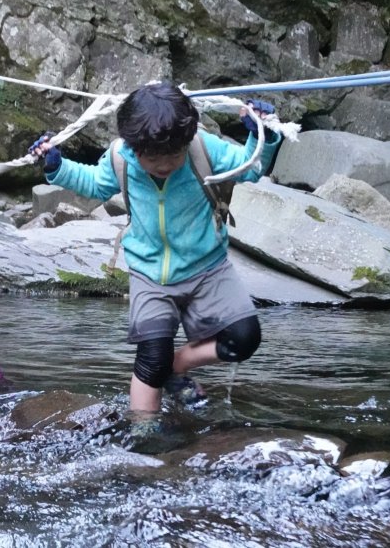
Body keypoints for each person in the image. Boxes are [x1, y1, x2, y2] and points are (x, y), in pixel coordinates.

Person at [29, 81, 282, 425]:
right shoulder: (122, 157)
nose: (164, 165)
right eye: (153, 158)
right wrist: (56, 166)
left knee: (245, 339)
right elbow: (94, 184)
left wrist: (262, 134)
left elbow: (250, 167)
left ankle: (178, 367)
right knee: (151, 358)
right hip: (150, 274)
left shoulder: (200, 149)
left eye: (173, 156)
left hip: (208, 268)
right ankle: (143, 433)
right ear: (135, 149)